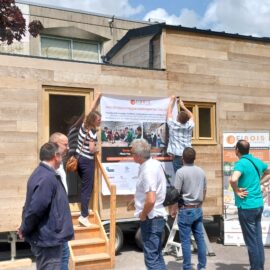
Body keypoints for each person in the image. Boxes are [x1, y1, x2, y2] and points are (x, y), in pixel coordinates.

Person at [17, 142, 74, 270]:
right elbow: (36, 209)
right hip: (48, 240)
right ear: (56, 156)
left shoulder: (42, 173)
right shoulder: (47, 177)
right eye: (61, 155)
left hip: (49, 238)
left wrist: (24, 227)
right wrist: (25, 228)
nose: (62, 158)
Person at [230, 139, 269, 270]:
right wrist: (259, 182)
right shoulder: (256, 161)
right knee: (257, 240)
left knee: (251, 241)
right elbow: (268, 171)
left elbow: (233, 179)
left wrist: (236, 190)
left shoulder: (241, 163)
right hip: (258, 205)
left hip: (247, 207)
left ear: (237, 150)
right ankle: (259, 267)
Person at [131, 139, 167, 270]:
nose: (131, 155)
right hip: (157, 216)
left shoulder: (148, 170)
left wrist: (143, 214)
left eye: (132, 153)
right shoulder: (154, 164)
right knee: (157, 255)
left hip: (151, 218)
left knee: (151, 260)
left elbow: (151, 199)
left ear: (138, 155)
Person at [171, 147, 207, 270]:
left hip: (186, 209)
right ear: (194, 158)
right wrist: (200, 203)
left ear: (182, 158)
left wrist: (173, 209)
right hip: (198, 208)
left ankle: (187, 267)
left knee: (185, 241)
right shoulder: (201, 171)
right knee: (200, 239)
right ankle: (202, 267)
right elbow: (204, 190)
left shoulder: (180, 172)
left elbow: (176, 193)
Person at [76, 93, 102, 227]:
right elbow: (91, 149)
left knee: (85, 187)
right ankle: (83, 216)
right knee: (87, 188)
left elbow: (90, 110)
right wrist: (98, 149)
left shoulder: (84, 125)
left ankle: (84, 210)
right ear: (93, 121)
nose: (100, 122)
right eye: (98, 120)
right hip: (87, 161)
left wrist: (97, 97)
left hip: (79, 159)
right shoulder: (91, 132)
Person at [49, 133, 70, 270]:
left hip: (61, 221)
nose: (68, 147)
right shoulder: (49, 169)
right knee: (59, 258)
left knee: (64, 256)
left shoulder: (60, 163)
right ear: (55, 146)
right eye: (65, 144)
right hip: (55, 223)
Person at [166, 96, 194, 172]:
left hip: (178, 156)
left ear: (177, 118)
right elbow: (192, 115)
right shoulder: (189, 126)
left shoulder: (173, 125)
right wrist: (183, 106)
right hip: (188, 156)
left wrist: (172, 100)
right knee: (188, 177)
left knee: (180, 178)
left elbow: (169, 112)